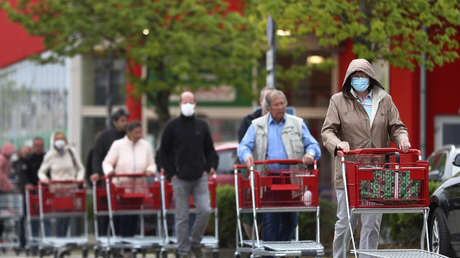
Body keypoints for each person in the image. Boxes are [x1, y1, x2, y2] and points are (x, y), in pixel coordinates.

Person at [321, 58, 411, 258]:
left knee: (372, 223)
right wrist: (338, 144)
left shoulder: (384, 99)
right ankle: (340, 256)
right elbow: (328, 131)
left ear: (371, 78)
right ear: (349, 78)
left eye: (363, 75)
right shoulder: (338, 100)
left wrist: (402, 138)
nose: (359, 79)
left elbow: (396, 126)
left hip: (377, 172)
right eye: (355, 76)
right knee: (346, 221)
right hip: (349, 171)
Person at [237, 89, 321, 243]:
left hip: (292, 179)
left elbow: (313, 144)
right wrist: (247, 156)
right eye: (276, 104)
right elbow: (243, 146)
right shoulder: (257, 125)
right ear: (268, 108)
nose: (281, 107)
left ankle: (280, 249)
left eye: (283, 103)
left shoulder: (297, 123)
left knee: (291, 221)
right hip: (268, 179)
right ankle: (271, 252)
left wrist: (310, 154)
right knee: (271, 220)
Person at [158, 91, 219, 258]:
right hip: (179, 178)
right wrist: (171, 174)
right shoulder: (171, 126)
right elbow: (163, 153)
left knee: (205, 210)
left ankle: (195, 242)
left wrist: (211, 166)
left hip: (199, 176)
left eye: (190, 101)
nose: (187, 104)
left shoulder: (202, 125)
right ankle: (183, 251)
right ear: (179, 104)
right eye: (184, 101)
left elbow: (210, 150)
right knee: (182, 217)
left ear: (195, 104)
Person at [102, 120, 156, 238]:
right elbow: (107, 162)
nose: (139, 135)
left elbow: (152, 164)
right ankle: (123, 242)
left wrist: (149, 171)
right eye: (136, 132)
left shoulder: (145, 145)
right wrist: (110, 171)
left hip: (138, 187)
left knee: (134, 215)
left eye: (140, 132)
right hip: (122, 187)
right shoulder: (118, 145)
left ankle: (130, 243)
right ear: (129, 132)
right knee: (123, 215)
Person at [38, 132, 85, 237]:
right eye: (57, 139)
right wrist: (46, 181)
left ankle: (64, 238)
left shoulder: (71, 152)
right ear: (53, 141)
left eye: (62, 139)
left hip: (70, 190)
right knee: (60, 216)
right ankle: (60, 239)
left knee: (67, 216)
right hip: (57, 191)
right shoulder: (50, 155)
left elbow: (80, 168)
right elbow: (41, 172)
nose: (60, 141)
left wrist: (78, 180)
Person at [90, 108, 129, 237]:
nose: (125, 123)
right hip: (107, 180)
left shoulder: (128, 136)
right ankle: (103, 237)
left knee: (122, 212)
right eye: (122, 120)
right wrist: (96, 172)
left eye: (126, 120)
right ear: (115, 122)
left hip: (124, 181)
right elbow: (97, 156)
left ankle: (120, 239)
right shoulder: (104, 136)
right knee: (106, 212)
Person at [0, 142, 16, 241]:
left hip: (4, 189)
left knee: (4, 214)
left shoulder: (7, 160)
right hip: (2, 190)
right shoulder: (2, 159)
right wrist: (8, 184)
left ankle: (2, 236)